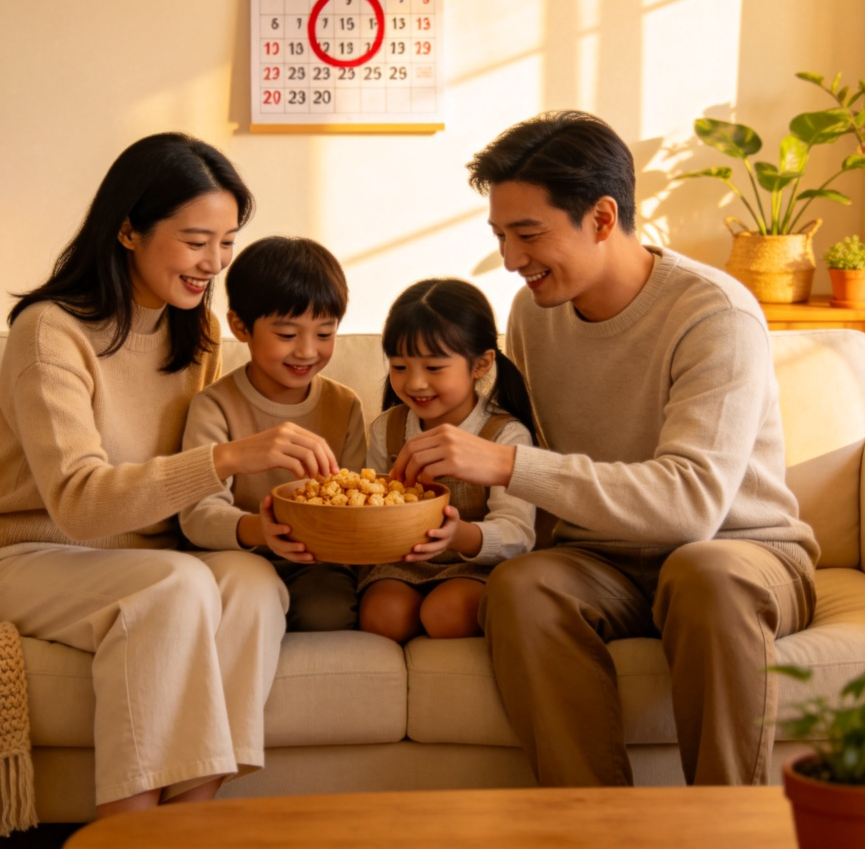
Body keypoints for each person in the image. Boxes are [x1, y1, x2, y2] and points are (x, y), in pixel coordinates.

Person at [390, 110, 819, 786]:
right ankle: (594, 828)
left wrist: (505, 463)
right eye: (501, 235)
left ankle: (724, 829)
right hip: (600, 560)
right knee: (522, 587)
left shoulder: (715, 316)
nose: (509, 260)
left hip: (741, 552)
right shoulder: (534, 313)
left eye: (528, 234)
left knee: (703, 575)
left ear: (600, 217)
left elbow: (691, 506)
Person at [0, 132, 339, 818]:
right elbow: (78, 504)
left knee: (252, 584)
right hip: (28, 555)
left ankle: (192, 814)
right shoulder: (50, 332)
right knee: (177, 583)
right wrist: (228, 458)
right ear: (129, 228)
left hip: (152, 559)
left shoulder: (195, 332)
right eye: (196, 241)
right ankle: (127, 828)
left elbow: (191, 502)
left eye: (225, 242)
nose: (213, 263)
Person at [179, 235, 367, 631]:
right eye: (286, 335)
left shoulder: (343, 405)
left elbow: (359, 500)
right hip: (237, 556)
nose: (306, 351)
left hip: (317, 564)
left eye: (324, 333)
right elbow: (198, 515)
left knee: (328, 613)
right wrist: (260, 531)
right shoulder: (214, 405)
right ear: (240, 326)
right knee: (244, 604)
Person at [358, 278, 537, 644]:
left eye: (434, 368)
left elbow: (518, 534)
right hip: (402, 564)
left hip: (474, 566)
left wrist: (459, 535)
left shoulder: (504, 436)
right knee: (382, 618)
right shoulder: (386, 430)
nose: (415, 383)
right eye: (400, 367)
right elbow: (368, 505)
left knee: (445, 615)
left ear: (481, 364)